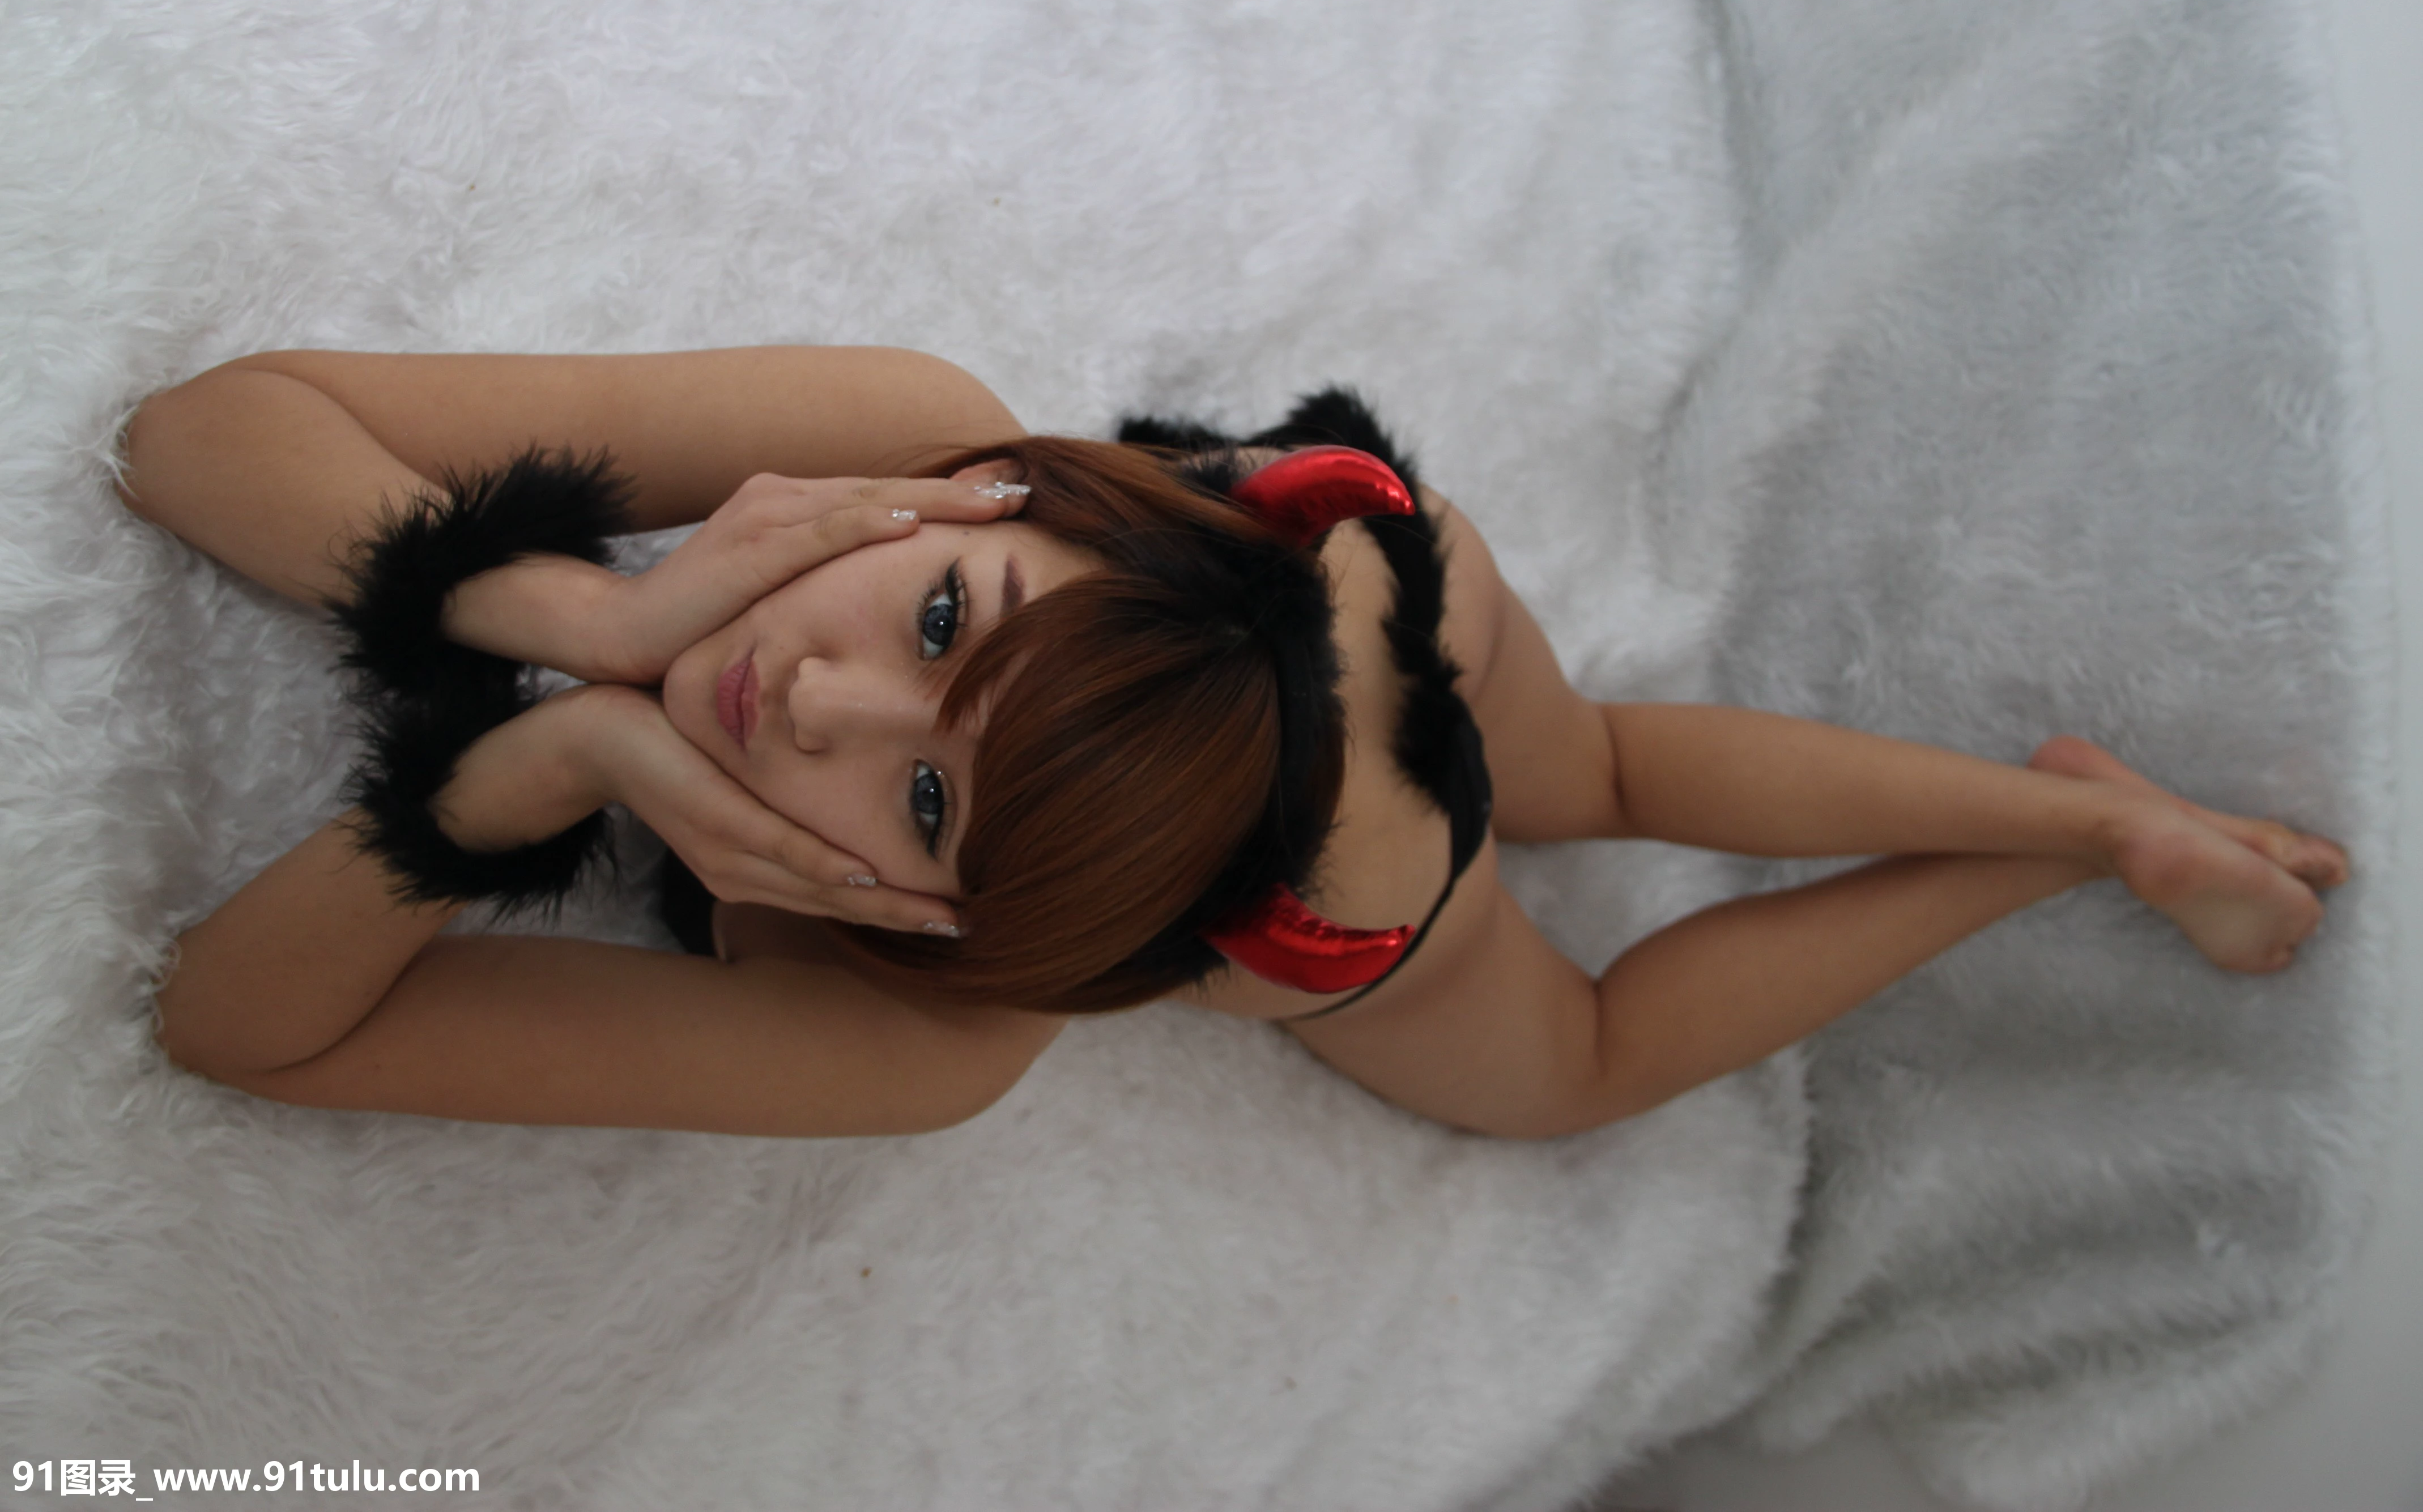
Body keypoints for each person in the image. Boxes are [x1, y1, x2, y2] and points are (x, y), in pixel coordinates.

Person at [118, 347, 2349, 1141]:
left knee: (1574, 1024)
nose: (810, 696)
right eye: (933, 616)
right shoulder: (912, 437)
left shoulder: (928, 1035)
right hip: (1307, 551)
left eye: (919, 799)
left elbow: (245, 1029)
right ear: (994, 507)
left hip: (1366, 787)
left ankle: (2062, 843)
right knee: (1600, 767)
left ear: (959, 919)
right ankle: (2080, 829)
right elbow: (197, 435)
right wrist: (581, 642)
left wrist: (519, 787)